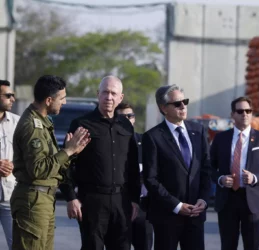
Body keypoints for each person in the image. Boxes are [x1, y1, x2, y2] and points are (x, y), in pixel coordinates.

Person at [60, 76, 140, 250]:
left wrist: (135, 199)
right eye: (105, 92)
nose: (109, 97)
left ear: (120, 97)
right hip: (91, 202)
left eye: (113, 93)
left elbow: (132, 166)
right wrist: (70, 197)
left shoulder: (126, 126)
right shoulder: (81, 124)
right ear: (98, 94)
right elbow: (65, 163)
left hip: (122, 201)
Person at [11, 75, 90, 250]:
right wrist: (67, 151)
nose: (64, 102)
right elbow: (38, 170)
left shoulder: (43, 122)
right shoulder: (33, 127)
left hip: (43, 199)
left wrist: (72, 153)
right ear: (48, 100)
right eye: (61, 98)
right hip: (33, 201)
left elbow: (52, 165)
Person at [142, 84, 212, 250]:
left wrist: (203, 199)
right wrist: (177, 206)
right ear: (164, 108)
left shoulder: (198, 131)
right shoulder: (152, 137)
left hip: (195, 214)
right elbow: (151, 179)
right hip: (167, 216)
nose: (183, 106)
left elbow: (206, 169)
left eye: (185, 101)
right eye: (177, 103)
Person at [210, 96, 259, 250]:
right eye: (240, 111)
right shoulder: (221, 138)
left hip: (252, 200)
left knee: (252, 245)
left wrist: (255, 177)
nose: (245, 114)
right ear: (232, 115)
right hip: (227, 200)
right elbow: (208, 167)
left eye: (248, 111)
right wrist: (220, 179)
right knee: (228, 245)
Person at [116, 102, 153, 250]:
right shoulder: (111, 143)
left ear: (134, 118)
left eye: (129, 116)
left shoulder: (145, 141)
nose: (127, 119)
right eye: (122, 116)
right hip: (118, 204)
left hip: (143, 207)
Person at [0, 80, 19, 249]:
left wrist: (14, 164)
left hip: (10, 195)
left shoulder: (18, 123)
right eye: (8, 95)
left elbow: (28, 154)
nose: (12, 99)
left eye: (13, 95)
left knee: (17, 244)